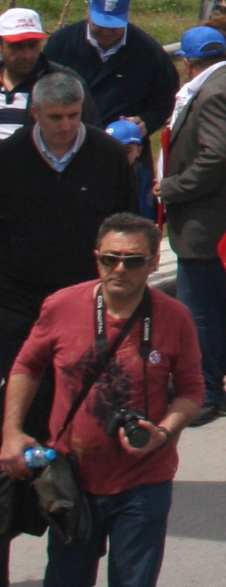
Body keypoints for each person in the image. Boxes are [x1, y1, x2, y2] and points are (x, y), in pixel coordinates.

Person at [2, 213, 203, 587]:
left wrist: (162, 432)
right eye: (110, 259)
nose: (120, 269)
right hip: (71, 480)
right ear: (97, 259)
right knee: (66, 578)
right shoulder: (61, 305)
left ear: (153, 263)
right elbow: (27, 366)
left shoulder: (175, 316)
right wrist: (11, 432)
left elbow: (192, 390)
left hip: (145, 481)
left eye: (133, 261)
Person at [0, 73, 138, 385]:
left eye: (73, 115)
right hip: (21, 295)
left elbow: (126, 222)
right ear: (35, 114)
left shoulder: (108, 155)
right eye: (56, 117)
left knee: (82, 383)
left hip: (87, 290)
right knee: (24, 380)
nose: (66, 126)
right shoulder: (9, 158)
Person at [157, 26, 226, 421]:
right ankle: (211, 382)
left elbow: (216, 156)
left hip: (206, 226)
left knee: (200, 316)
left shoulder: (215, 93)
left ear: (188, 63)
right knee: (219, 311)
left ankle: (204, 392)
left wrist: (173, 187)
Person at [44, 0, 177, 148]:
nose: (107, 31)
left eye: (114, 25)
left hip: (125, 150)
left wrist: (146, 122)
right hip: (69, 145)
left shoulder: (150, 53)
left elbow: (166, 100)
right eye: (101, 23)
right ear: (88, 8)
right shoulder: (61, 44)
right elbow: (43, 90)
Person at [0, 6, 96, 144]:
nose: (27, 55)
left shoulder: (63, 82)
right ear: (1, 45)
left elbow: (92, 136)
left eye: (33, 45)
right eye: (17, 47)